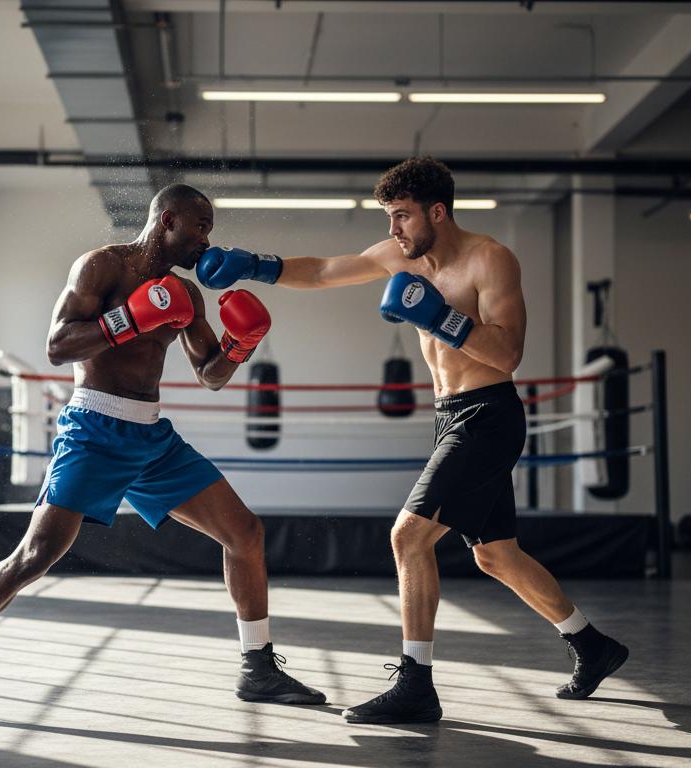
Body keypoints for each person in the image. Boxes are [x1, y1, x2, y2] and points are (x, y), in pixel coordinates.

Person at [195, 157, 629, 724]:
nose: (394, 230)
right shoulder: (402, 255)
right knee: (496, 555)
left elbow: (508, 354)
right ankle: (592, 645)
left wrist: (440, 317)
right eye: (389, 217)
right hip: (448, 416)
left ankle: (417, 684)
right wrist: (254, 266)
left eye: (402, 216)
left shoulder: (490, 260)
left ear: (438, 211)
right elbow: (326, 270)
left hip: (488, 415)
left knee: (409, 538)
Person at [0, 184, 325, 725]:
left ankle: (258, 669)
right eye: (201, 226)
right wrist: (127, 320)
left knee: (245, 533)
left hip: (151, 438)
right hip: (94, 429)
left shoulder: (186, 295)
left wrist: (241, 346)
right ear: (168, 220)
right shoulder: (103, 268)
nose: (207, 238)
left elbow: (211, 375)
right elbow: (57, 345)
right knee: (35, 555)